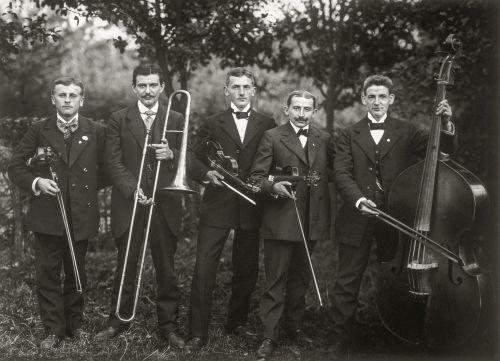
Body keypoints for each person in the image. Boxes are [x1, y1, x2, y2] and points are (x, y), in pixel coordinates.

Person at [329, 74, 454, 358]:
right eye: (371, 96)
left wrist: (446, 124)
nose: (376, 102)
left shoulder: (407, 131)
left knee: (398, 277)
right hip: (356, 216)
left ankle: (397, 333)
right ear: (363, 99)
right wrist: (359, 199)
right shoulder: (348, 134)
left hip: (397, 219)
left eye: (382, 96)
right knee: (347, 279)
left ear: (391, 99)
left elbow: (442, 154)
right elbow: (340, 173)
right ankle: (340, 337)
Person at [8, 77, 107, 350]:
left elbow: (108, 170)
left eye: (73, 95)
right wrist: (36, 182)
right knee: (48, 272)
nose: (67, 100)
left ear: (81, 100)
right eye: (61, 95)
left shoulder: (96, 130)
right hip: (48, 215)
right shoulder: (39, 129)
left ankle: (74, 326)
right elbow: (15, 167)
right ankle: (53, 329)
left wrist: (83, 191)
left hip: (81, 214)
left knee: (77, 271)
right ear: (53, 99)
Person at [95, 64, 186, 348]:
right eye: (142, 85)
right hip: (129, 202)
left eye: (153, 85)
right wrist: (132, 190)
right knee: (125, 263)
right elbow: (112, 162)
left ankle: (169, 326)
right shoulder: (119, 119)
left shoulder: (176, 117)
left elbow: (189, 160)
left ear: (162, 88)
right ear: (134, 88)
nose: (148, 91)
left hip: (164, 203)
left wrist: (171, 154)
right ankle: (117, 321)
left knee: (166, 267)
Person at [185, 67, 275, 352]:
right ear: (226, 91)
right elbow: (192, 157)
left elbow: (272, 162)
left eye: (246, 87)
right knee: (204, 267)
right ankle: (197, 332)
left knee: (246, 267)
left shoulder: (267, 122)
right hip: (217, 203)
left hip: (251, 204)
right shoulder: (212, 123)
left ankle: (236, 322)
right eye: (235, 87)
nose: (241, 92)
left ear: (253, 90)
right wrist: (204, 175)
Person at [249, 90, 333, 360]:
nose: (301, 113)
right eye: (296, 108)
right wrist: (273, 185)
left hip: (311, 220)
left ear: (314, 112)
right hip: (281, 219)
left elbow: (331, 173)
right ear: (287, 110)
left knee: (300, 278)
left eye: (307, 109)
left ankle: (294, 328)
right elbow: (256, 177)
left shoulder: (324, 139)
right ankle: (269, 335)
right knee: (276, 280)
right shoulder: (272, 136)